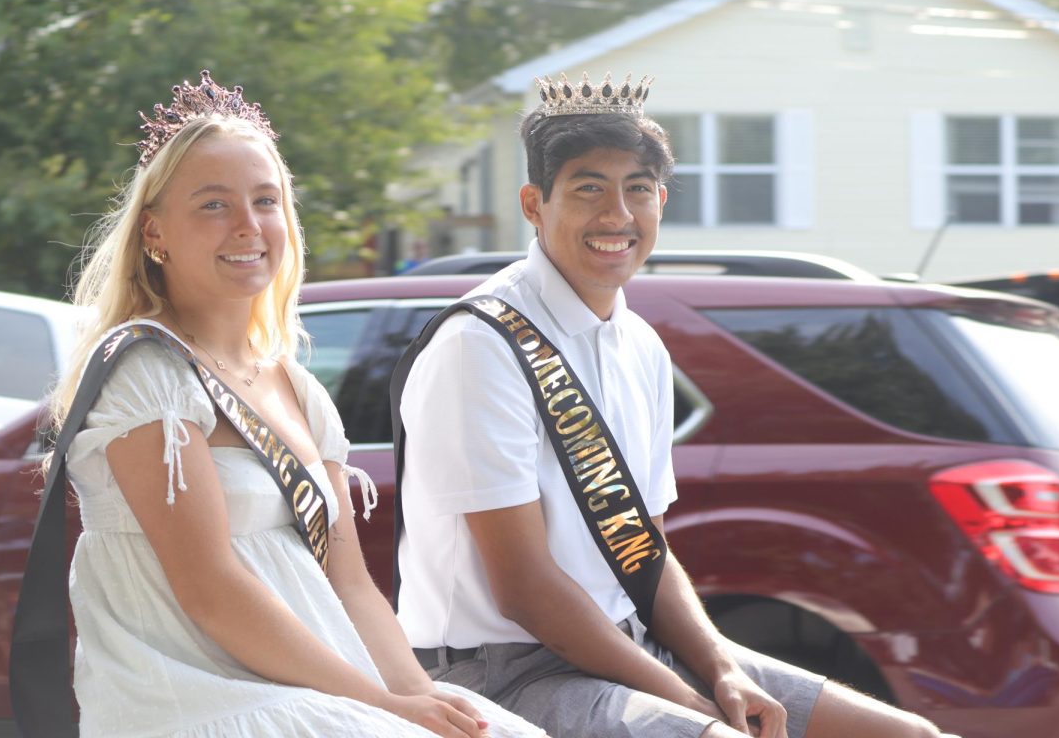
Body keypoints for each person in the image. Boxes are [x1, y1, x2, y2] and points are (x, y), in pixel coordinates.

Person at [394, 72, 956, 738]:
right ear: (533, 203)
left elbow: (645, 547)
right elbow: (525, 589)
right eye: (588, 190)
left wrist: (721, 670)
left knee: (911, 737)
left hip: (629, 647)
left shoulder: (641, 345)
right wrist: (690, 704)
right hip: (506, 674)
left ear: (660, 200)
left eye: (637, 190)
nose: (616, 216)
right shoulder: (481, 345)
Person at [47, 70, 544, 738]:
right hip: (202, 696)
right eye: (214, 205)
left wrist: (421, 698)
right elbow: (211, 591)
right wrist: (385, 708)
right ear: (155, 234)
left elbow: (352, 587)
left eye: (266, 200)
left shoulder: (299, 391)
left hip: (323, 688)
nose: (248, 226)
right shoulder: (146, 375)